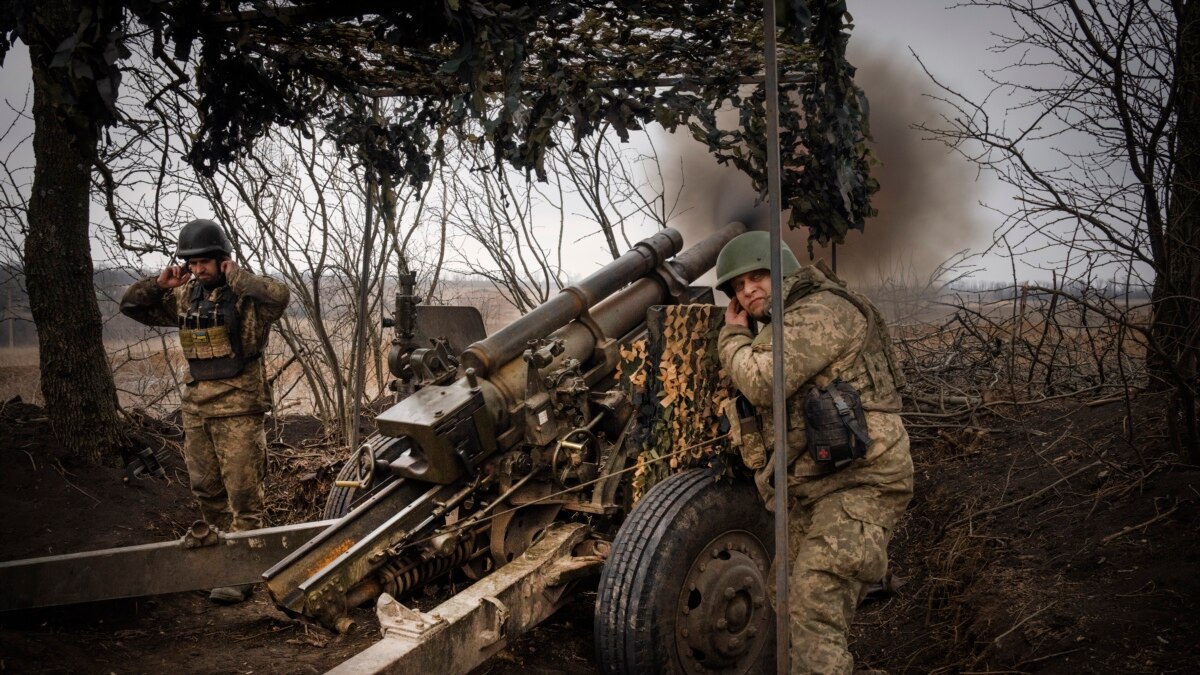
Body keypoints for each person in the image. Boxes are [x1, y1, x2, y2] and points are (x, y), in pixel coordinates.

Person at [714, 231, 912, 675]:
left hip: (863, 481)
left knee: (812, 600)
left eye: (758, 276)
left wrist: (730, 337)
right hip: (817, 486)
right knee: (785, 594)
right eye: (738, 287)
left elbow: (765, 382)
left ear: (784, 270)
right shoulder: (788, 321)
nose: (748, 292)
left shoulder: (823, 311)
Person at [120, 219, 290, 604]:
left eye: (204, 263)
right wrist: (160, 285)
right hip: (197, 407)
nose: (197, 270)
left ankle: (243, 571)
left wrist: (239, 278)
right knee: (207, 491)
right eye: (191, 263)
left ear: (222, 260)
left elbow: (279, 296)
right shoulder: (185, 296)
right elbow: (130, 306)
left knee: (244, 496)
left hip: (239, 408)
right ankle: (220, 564)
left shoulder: (247, 299)